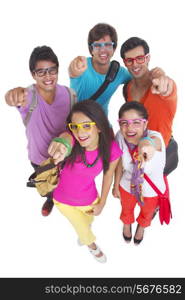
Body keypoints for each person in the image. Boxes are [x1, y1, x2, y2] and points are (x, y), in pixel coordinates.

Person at [5, 46, 74, 217]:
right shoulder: (28, 96)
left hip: (65, 155)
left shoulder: (69, 94)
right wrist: (11, 95)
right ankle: (50, 198)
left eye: (52, 70)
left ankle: (65, 201)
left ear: (58, 70)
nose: (48, 76)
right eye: (41, 72)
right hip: (39, 160)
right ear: (33, 74)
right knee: (46, 187)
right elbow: (13, 96)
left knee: (67, 184)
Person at [52, 100, 122, 263]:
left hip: (89, 199)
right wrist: (62, 143)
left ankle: (85, 232)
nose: (79, 132)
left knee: (88, 221)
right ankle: (92, 246)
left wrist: (103, 202)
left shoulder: (111, 149)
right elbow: (65, 139)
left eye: (86, 125)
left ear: (98, 126)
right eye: (75, 126)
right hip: (62, 200)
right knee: (82, 228)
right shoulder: (72, 143)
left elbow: (108, 175)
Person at [69, 23, 173, 117]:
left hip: (101, 125)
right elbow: (73, 71)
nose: (103, 50)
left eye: (108, 45)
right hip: (77, 121)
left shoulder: (119, 72)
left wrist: (159, 75)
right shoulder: (82, 65)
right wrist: (74, 69)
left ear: (114, 48)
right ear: (91, 49)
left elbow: (141, 75)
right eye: (97, 46)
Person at [120, 37, 178, 175]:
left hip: (162, 153)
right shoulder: (127, 88)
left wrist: (163, 81)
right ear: (125, 63)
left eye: (140, 58)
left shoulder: (162, 86)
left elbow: (167, 88)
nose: (135, 64)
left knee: (157, 195)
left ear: (148, 58)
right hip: (138, 153)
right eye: (129, 60)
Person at [112, 101, 166, 245]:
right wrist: (115, 185)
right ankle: (127, 224)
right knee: (126, 207)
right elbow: (118, 164)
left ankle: (141, 227)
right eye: (124, 122)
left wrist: (146, 145)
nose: (129, 128)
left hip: (150, 190)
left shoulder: (156, 137)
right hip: (126, 185)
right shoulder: (119, 136)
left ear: (145, 124)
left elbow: (152, 142)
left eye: (136, 122)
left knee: (147, 212)